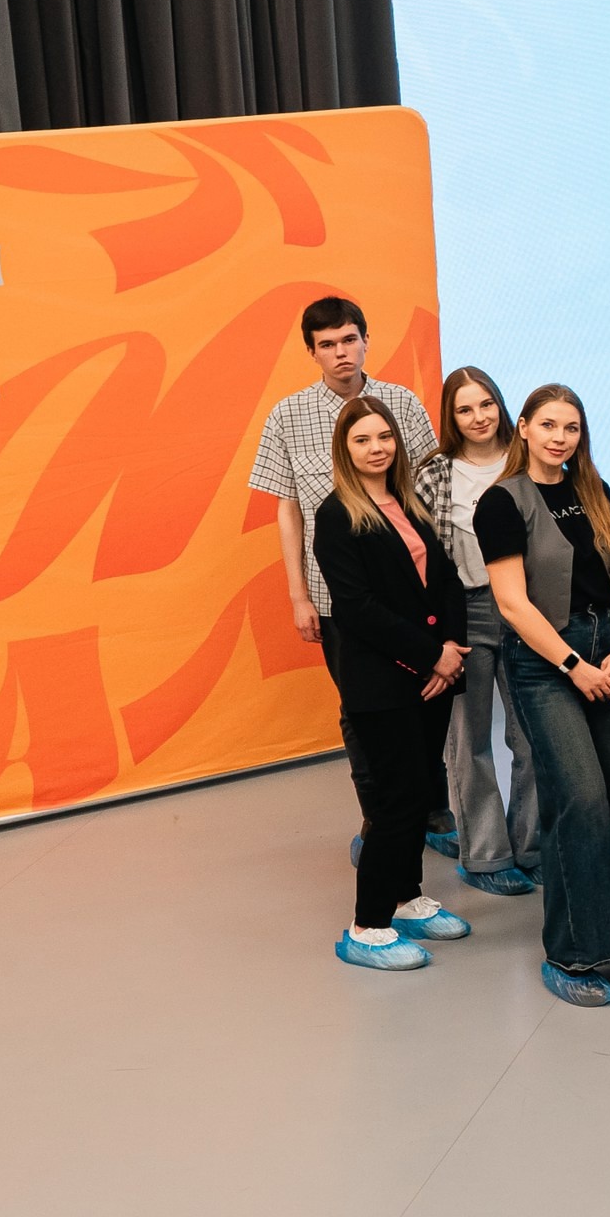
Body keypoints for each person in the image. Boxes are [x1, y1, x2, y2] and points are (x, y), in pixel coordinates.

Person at [248, 296, 444, 853]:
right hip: (340, 599)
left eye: (349, 339)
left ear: (365, 341)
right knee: (363, 712)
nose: (341, 352)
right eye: (327, 344)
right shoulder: (287, 415)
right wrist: (298, 596)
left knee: (432, 699)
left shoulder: (401, 403)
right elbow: (289, 508)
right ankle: (378, 822)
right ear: (311, 352)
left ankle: (433, 811)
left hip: (411, 590)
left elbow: (429, 491)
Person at [476, 385, 610, 1006]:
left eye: (571, 428)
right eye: (548, 425)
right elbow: (512, 604)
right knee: (580, 796)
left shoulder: (593, 490)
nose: (560, 438)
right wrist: (575, 665)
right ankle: (570, 955)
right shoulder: (502, 502)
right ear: (523, 427)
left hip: (606, 650)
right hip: (547, 663)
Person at [315, 395, 471, 970]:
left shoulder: (408, 500)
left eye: (384, 437)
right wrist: (432, 656)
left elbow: (447, 580)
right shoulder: (336, 515)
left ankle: (408, 898)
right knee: (395, 802)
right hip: (383, 683)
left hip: (432, 675)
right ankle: (368, 925)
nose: (376, 447)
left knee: (421, 792)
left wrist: (451, 648)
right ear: (344, 449)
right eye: (362, 439)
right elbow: (357, 609)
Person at [412, 366, 538, 896]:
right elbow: (422, 559)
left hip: (528, 609)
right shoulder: (434, 474)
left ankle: (531, 846)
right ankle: (485, 857)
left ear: (501, 405)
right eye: (465, 409)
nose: (479, 417)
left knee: (533, 734)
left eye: (486, 404)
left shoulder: (527, 458)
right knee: (470, 739)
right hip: (466, 612)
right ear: (451, 417)